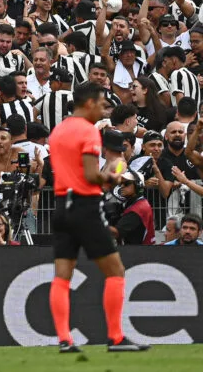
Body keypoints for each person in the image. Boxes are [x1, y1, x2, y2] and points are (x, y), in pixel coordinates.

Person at [47, 83, 149, 353]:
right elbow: (92, 175)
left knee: (62, 276)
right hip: (85, 206)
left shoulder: (58, 131)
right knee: (115, 271)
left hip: (61, 205)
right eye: (102, 104)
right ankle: (115, 337)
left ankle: (64, 340)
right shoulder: (88, 132)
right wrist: (115, 177)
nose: (104, 110)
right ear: (89, 103)